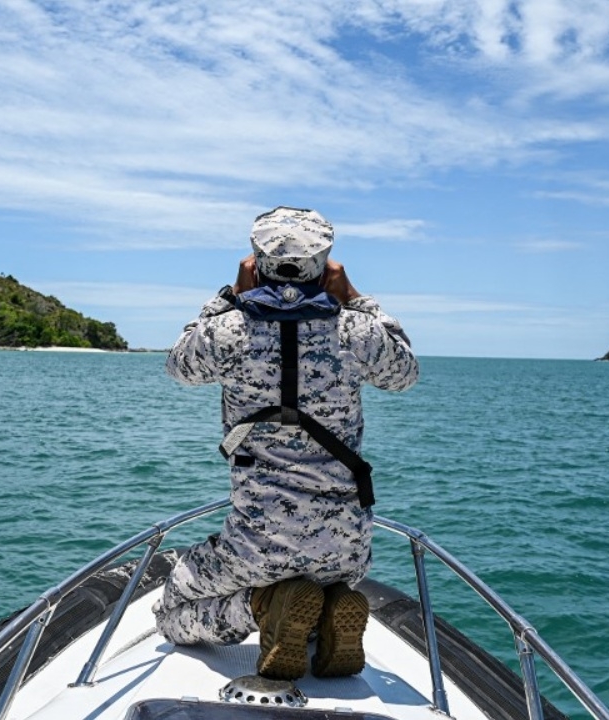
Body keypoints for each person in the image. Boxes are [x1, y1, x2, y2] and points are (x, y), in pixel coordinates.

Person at [153, 206, 419, 681]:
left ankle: (262, 606)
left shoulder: (229, 331)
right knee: (314, 592)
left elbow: (179, 366)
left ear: (256, 259)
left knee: (171, 610)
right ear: (327, 262)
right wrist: (356, 298)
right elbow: (404, 373)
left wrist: (231, 297)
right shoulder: (354, 331)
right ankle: (328, 610)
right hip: (347, 550)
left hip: (256, 548)